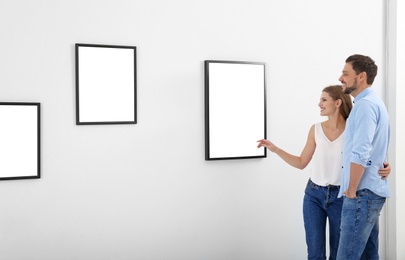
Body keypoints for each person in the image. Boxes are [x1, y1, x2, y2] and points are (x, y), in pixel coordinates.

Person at [257, 85, 390, 260]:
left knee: (338, 253)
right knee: (314, 253)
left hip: (340, 197)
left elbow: (366, 153)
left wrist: (385, 166)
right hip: (313, 195)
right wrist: (275, 149)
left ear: (338, 102)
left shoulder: (353, 129)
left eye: (323, 99)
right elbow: (301, 162)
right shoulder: (316, 129)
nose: (319, 103)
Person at [336, 54, 391, 260]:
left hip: (361, 193)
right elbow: (377, 147)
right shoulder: (374, 102)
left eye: (345, 73)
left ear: (361, 76)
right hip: (370, 192)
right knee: (369, 255)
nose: (341, 78)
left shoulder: (365, 105)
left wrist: (351, 190)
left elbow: (362, 151)